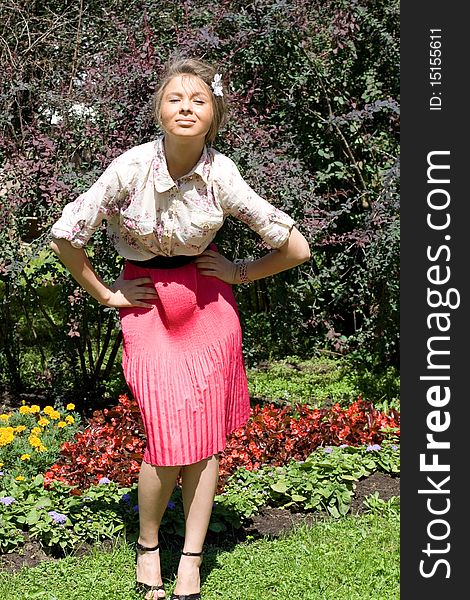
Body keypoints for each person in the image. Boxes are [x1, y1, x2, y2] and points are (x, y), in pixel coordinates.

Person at [49, 57, 310, 600]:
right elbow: (66, 233)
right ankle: (149, 547)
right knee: (167, 435)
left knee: (204, 438)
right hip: (146, 305)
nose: (186, 107)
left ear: (213, 114)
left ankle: (189, 559)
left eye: (199, 99)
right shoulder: (131, 168)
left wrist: (239, 271)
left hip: (207, 304)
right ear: (159, 111)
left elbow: (295, 246)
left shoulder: (222, 174)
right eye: (175, 98)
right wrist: (106, 294)